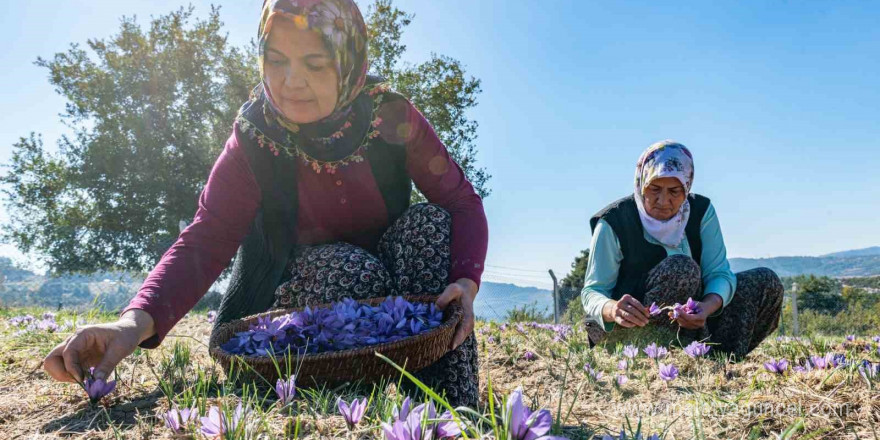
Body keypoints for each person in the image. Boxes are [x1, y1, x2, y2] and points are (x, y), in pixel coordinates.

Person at [43, 0, 487, 408]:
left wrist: (466, 283)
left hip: (391, 285)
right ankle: (349, 394)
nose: (291, 81)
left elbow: (461, 203)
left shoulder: (390, 115)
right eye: (276, 60)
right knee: (351, 268)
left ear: (349, 64)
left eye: (315, 63)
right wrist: (130, 325)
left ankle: (445, 401)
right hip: (296, 290)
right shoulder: (255, 138)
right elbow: (205, 238)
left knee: (430, 224)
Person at [581, 140, 783, 359]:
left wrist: (706, 307)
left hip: (693, 323)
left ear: (687, 187)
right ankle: (647, 354)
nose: (663, 201)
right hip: (627, 328)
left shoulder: (701, 212)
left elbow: (718, 273)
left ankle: (716, 359)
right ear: (641, 183)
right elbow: (592, 291)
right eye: (654, 189)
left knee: (766, 282)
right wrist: (613, 309)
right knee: (682, 268)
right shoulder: (615, 221)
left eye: (674, 191)